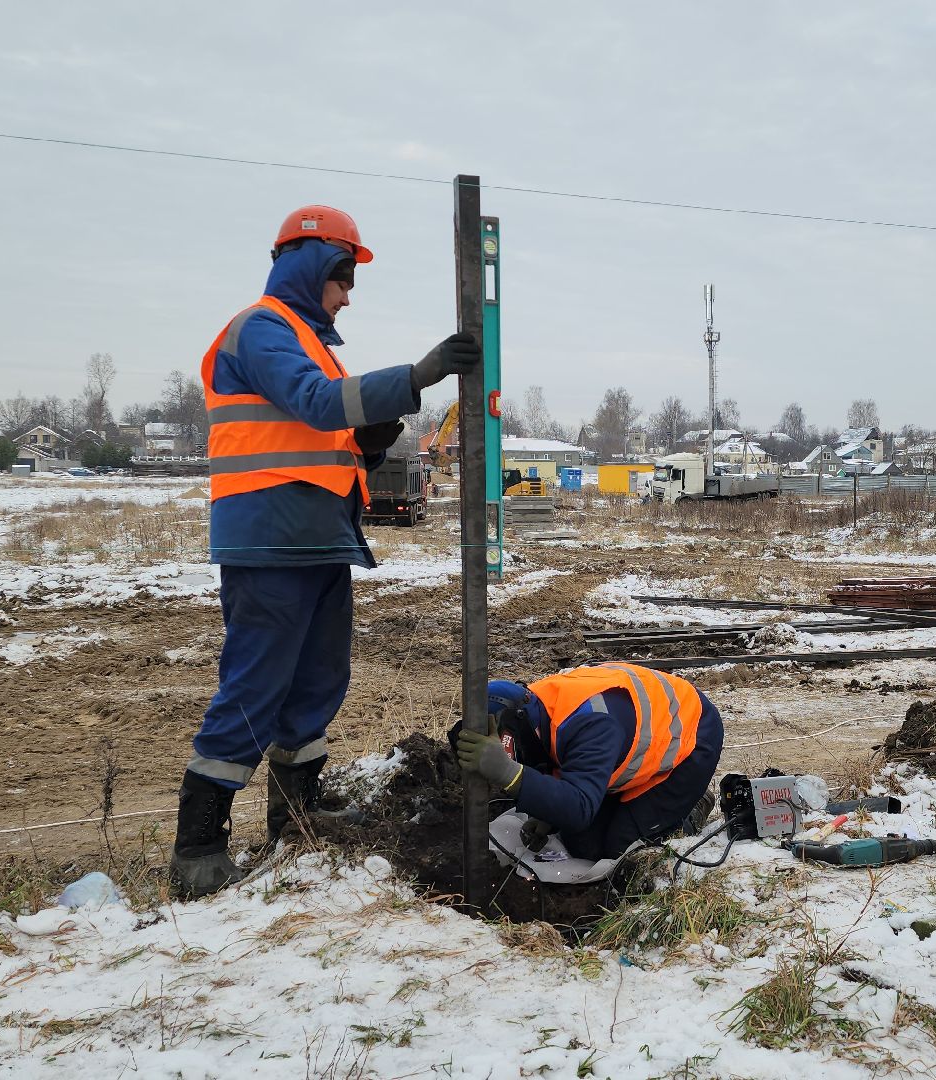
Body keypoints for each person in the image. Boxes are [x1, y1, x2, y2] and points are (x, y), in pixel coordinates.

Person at [171, 205, 480, 900]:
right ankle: (198, 844)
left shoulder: (310, 340)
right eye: (343, 277)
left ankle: (297, 815)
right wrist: (419, 374)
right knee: (255, 684)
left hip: (316, 537)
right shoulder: (263, 329)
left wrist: (365, 443)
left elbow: (318, 432)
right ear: (311, 266)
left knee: (317, 680)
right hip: (269, 537)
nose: (348, 293)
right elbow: (314, 404)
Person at [452, 663, 723, 860]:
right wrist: (550, 815)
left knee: (620, 850)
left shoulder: (591, 724)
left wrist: (509, 774)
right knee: (582, 844)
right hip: (630, 740)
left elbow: (579, 807)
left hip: (691, 738)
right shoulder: (533, 709)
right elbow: (554, 759)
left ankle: (690, 811)